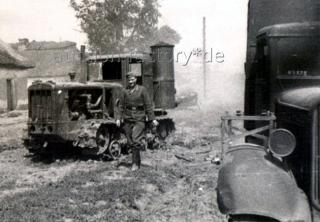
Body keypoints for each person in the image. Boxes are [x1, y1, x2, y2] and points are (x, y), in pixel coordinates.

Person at [115, 72, 158, 171]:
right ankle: (137, 161)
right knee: (130, 142)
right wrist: (118, 118)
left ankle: (135, 164)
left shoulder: (142, 90)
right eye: (129, 80)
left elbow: (148, 105)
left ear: (136, 79)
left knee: (135, 139)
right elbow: (120, 106)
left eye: (132, 79)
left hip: (139, 118)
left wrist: (153, 119)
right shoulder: (124, 91)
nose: (130, 82)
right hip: (128, 118)